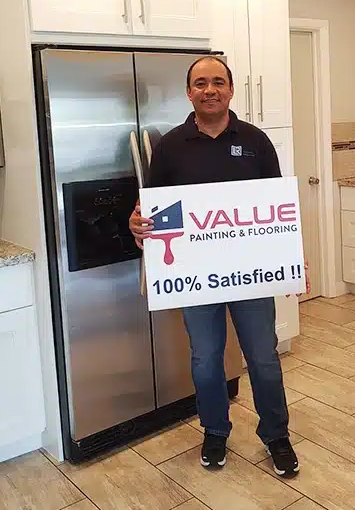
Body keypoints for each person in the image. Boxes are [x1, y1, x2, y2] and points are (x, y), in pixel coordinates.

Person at [129, 55, 307, 477]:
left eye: (218, 82)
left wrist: (292, 258)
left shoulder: (256, 141)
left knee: (263, 357)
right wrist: (138, 223)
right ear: (188, 92)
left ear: (231, 89)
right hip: (196, 277)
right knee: (206, 359)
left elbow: (276, 209)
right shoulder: (171, 146)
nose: (210, 90)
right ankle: (214, 430)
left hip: (249, 273)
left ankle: (276, 435)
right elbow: (152, 209)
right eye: (200, 83)